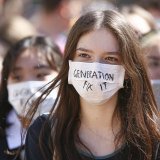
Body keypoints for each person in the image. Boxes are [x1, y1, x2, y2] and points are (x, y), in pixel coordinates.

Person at [24, 10, 160, 160]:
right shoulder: (44, 132)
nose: (95, 68)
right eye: (84, 55)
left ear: (127, 70)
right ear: (70, 63)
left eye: (110, 58)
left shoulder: (152, 138)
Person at [0, 35, 63, 160]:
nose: (29, 86)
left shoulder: (81, 133)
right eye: (17, 77)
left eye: (40, 74)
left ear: (62, 76)